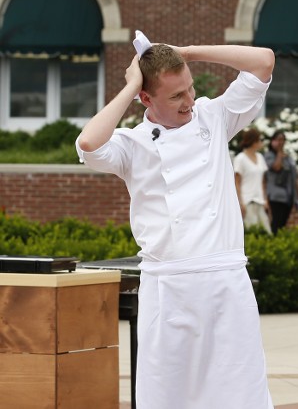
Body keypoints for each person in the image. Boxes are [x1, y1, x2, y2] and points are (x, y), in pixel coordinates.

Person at [75, 30, 275, 409]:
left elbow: (263, 60)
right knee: (167, 395)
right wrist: (133, 83)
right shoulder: (130, 144)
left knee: (239, 391)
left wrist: (186, 51)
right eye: (177, 95)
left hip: (225, 282)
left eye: (190, 89)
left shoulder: (215, 118)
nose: (190, 101)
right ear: (146, 99)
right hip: (166, 289)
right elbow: (88, 143)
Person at [234, 128, 271, 234]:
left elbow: (263, 182)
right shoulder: (240, 158)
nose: (261, 143)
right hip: (247, 202)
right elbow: (237, 182)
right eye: (259, 140)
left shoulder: (260, 157)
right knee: (251, 232)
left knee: (266, 232)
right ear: (253, 141)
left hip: (260, 201)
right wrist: (241, 203)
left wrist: (265, 200)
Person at [264, 130, 298, 234]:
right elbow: (276, 167)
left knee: (283, 224)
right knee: (276, 222)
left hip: (288, 196)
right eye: (278, 140)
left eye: (283, 140)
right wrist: (279, 153)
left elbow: (294, 177)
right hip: (275, 196)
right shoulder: (269, 155)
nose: (281, 142)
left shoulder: (288, 157)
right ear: (272, 141)